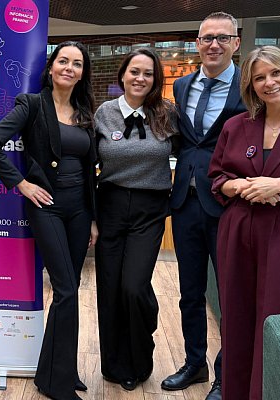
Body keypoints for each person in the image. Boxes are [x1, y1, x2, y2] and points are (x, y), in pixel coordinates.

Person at [0, 41, 98, 400]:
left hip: (80, 210)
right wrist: (22, 183)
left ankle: (59, 371)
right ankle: (57, 384)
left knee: (71, 288)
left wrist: (93, 219)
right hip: (47, 207)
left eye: (77, 64)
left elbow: (89, 169)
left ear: (83, 73)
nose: (69, 68)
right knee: (65, 290)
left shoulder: (85, 111)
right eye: (63, 61)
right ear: (51, 67)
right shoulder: (31, 105)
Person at [163, 12, 246, 400]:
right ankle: (194, 363)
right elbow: (186, 140)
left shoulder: (248, 85)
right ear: (197, 43)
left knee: (230, 295)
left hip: (229, 204)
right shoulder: (181, 85)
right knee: (190, 292)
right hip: (185, 203)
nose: (214, 44)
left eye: (222, 38)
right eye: (207, 38)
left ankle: (226, 374)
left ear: (236, 43)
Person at [94, 48, 177, 391]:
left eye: (148, 73)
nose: (140, 78)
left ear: (155, 80)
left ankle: (140, 357)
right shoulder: (104, 113)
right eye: (134, 71)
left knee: (134, 286)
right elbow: (87, 162)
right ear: (123, 75)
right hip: (110, 206)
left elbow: (189, 152)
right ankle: (114, 366)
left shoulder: (166, 113)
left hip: (150, 208)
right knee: (110, 289)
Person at [208, 45, 280, 400]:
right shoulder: (237, 126)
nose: (269, 82)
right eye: (259, 78)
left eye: (276, 73)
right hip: (238, 232)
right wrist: (239, 185)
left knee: (275, 316)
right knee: (237, 318)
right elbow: (217, 176)